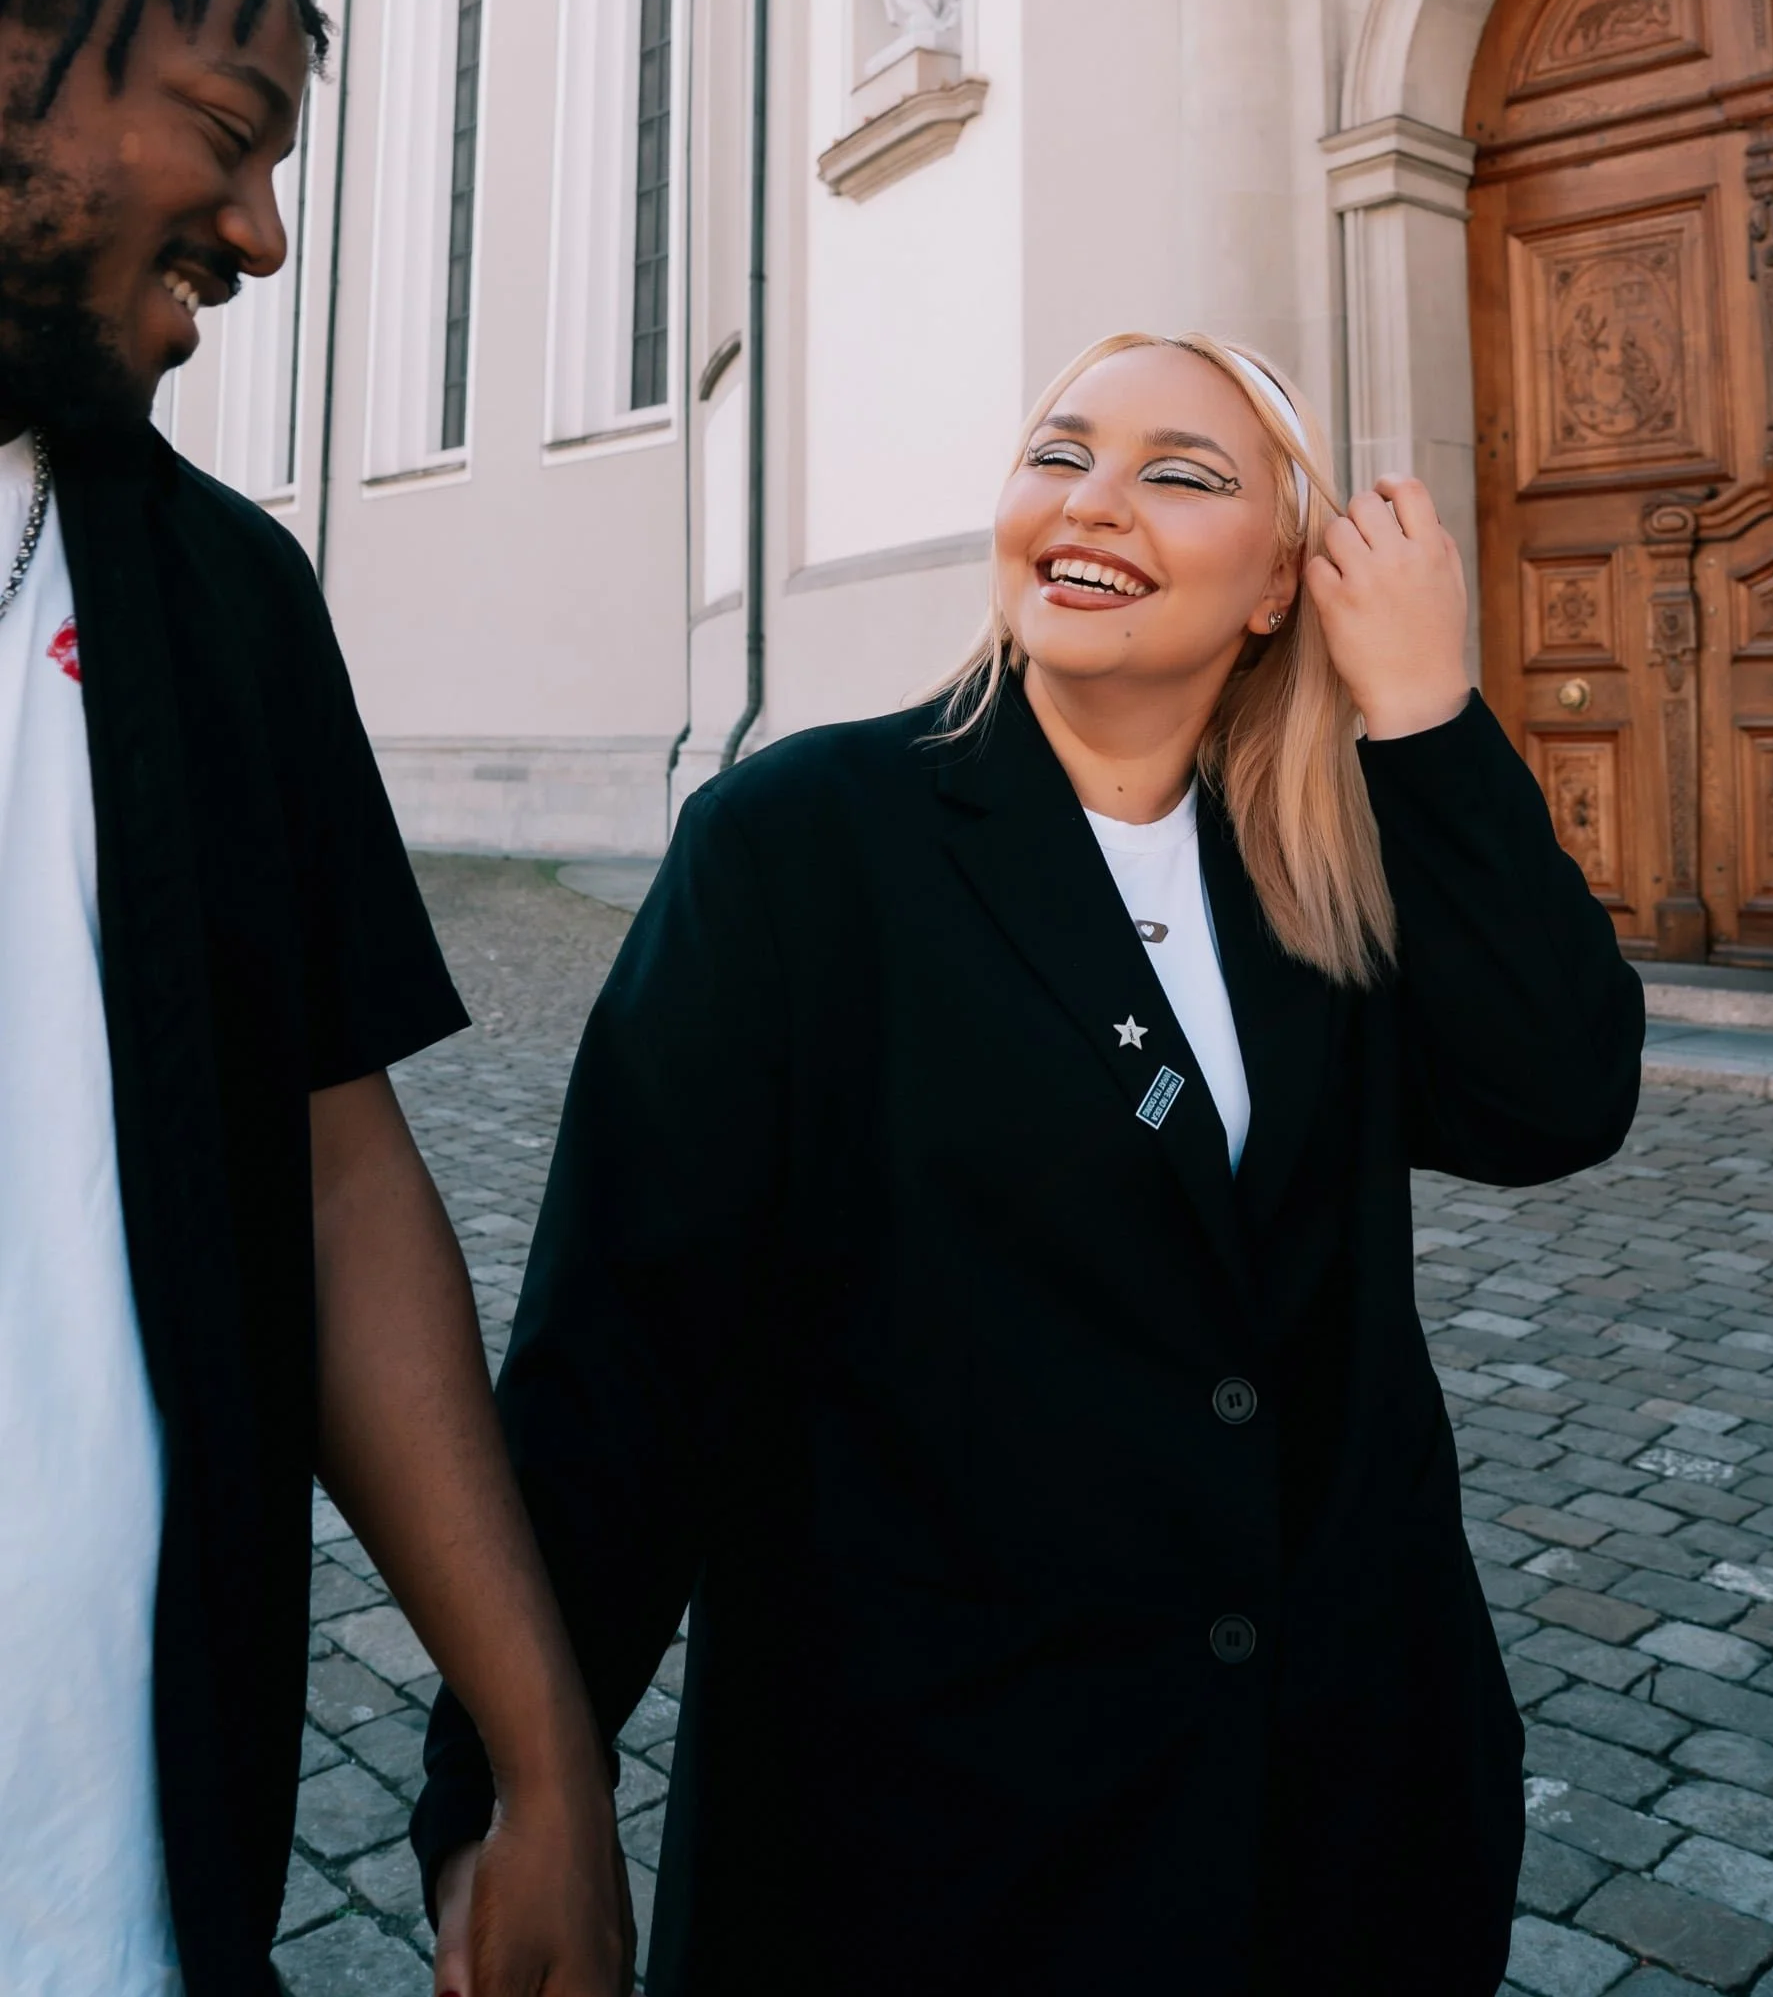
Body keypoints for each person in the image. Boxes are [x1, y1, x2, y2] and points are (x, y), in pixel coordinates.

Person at [416, 328, 1644, 1995]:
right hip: (938, 1846)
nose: (1097, 501)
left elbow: (1558, 1099)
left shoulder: (1322, 870)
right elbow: (624, 1355)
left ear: (1283, 584)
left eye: (1183, 473)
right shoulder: (803, 846)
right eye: (1060, 453)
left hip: (1330, 1825)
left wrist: (1425, 709)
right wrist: (511, 1788)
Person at [0, 0, 628, 1997]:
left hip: (119, 1891)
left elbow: (338, 1171)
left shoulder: (221, 603)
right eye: (228, 131)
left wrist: (545, 1758)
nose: (262, 235)